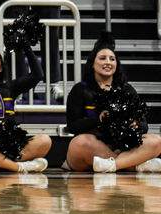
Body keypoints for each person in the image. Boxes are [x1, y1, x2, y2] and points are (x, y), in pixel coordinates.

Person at [65, 39, 161, 173]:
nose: (108, 62)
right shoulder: (80, 89)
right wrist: (99, 119)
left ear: (116, 64)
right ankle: (134, 165)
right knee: (79, 143)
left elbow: (144, 125)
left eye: (112, 59)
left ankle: (111, 165)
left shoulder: (127, 90)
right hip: (91, 148)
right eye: (102, 58)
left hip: (121, 147)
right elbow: (72, 126)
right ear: (92, 64)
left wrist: (135, 123)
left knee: (156, 140)